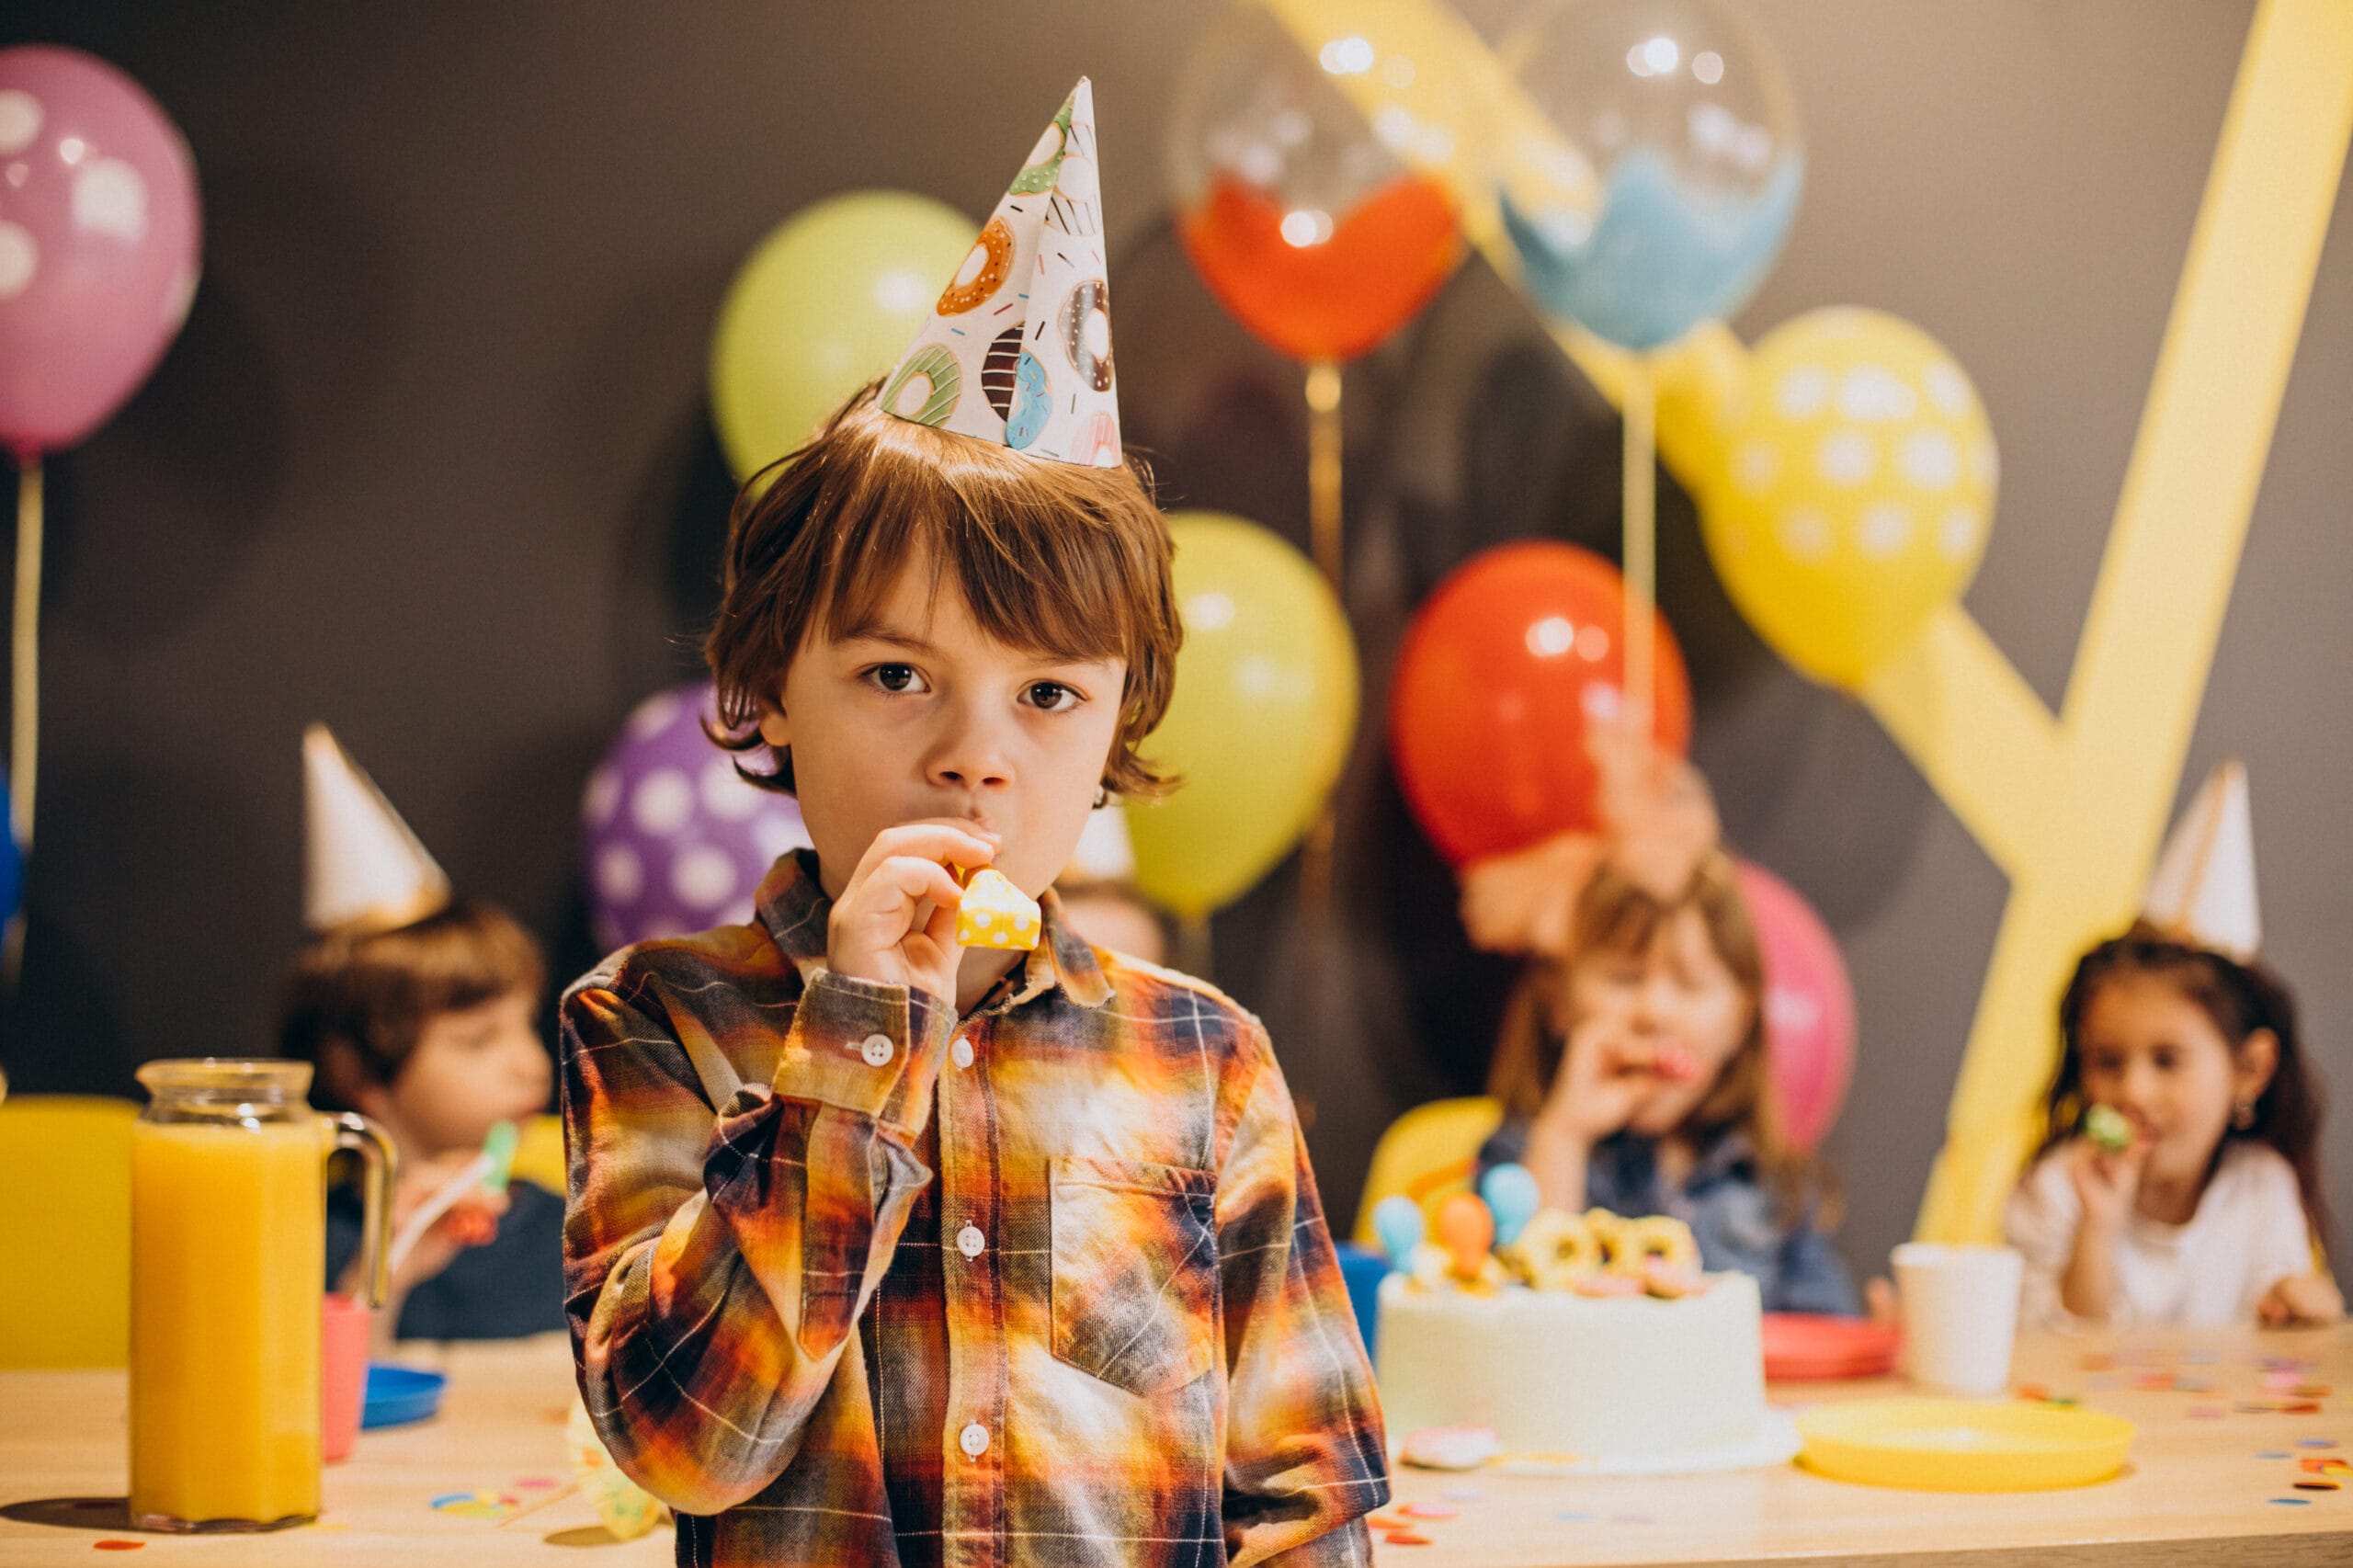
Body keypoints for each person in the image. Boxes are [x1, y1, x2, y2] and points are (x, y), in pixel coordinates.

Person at [560, 80, 1385, 1568]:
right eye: (894, 676)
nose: (974, 758)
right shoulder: (658, 1023)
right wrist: (861, 1039)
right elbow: (680, 1441)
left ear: (1121, 720)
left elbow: (1306, 1497)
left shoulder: (1204, 1062)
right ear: (770, 684)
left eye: (1050, 697)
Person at [2006, 762, 2339, 1329]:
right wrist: (2099, 1228)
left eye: (2167, 1060)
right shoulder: (2059, 1189)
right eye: (2107, 1062)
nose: (2133, 1090)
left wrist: (2306, 1306)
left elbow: (2287, 1339)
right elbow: (2058, 1356)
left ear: (2250, 1070)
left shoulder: (2261, 1191)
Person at [1476, 844, 1861, 1316]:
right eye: (1624, 978)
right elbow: (1511, 1318)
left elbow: (1830, 1338)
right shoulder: (1523, 1153)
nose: (1655, 1012)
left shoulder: (1775, 1185)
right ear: (1559, 1003)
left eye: (1690, 984)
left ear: (1740, 1021)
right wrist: (1565, 1135)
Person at [283, 726, 562, 1345]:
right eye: (478, 1039)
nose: (531, 1064)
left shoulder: (572, 1234)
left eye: (527, 1024)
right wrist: (386, 1271)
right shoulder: (296, 1241)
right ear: (359, 1073)